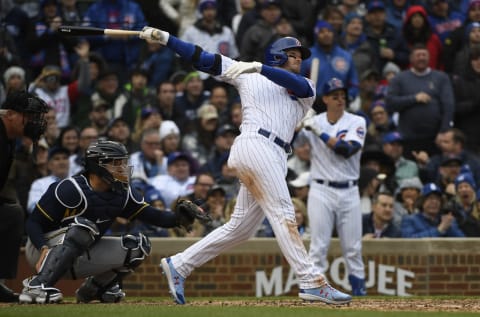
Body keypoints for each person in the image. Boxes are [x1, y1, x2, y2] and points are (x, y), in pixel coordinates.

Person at [138, 26, 352, 304]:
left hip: (274, 154)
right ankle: (312, 281)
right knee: (284, 214)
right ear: (277, 56)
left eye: (300, 55)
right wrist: (167, 40)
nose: (299, 59)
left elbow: (296, 84)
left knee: (241, 228)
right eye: (292, 54)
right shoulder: (246, 74)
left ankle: (180, 264)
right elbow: (204, 58)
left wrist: (259, 68)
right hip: (256, 144)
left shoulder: (305, 88)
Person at [19, 139, 207, 304]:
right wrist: (43, 248)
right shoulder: (69, 189)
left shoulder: (124, 193)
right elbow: (33, 223)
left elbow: (155, 217)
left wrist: (179, 217)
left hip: (80, 253)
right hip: (41, 250)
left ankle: (96, 290)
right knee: (84, 227)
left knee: (137, 245)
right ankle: (37, 285)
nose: (122, 169)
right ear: (97, 166)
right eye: (115, 163)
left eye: (123, 163)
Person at [300, 77, 367, 296]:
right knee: (318, 247)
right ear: (326, 99)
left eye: (343, 96)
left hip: (349, 190)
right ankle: (313, 290)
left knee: (353, 248)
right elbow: (291, 141)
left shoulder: (356, 121)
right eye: (335, 96)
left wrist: (317, 131)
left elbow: (346, 149)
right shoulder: (315, 120)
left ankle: (359, 292)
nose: (340, 100)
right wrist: (301, 118)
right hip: (321, 190)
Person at [0, 91, 49, 302]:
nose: (33, 122)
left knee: (11, 213)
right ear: (10, 114)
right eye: (27, 116)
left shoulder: (9, 139)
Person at [386, 44, 455, 159]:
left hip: (435, 138)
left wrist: (443, 131)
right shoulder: (399, 78)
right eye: (418, 55)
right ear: (411, 58)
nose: (421, 58)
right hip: (408, 138)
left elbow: (449, 105)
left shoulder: (441, 77)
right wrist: (414, 98)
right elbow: (390, 103)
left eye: (424, 55)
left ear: (429, 57)